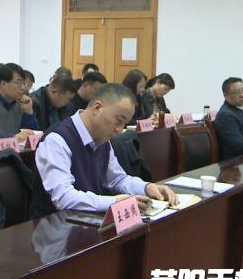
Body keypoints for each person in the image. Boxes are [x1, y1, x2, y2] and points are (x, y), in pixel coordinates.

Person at [31, 83, 178, 217]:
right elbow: (63, 198)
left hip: (86, 221)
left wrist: (147, 187)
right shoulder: (56, 140)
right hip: (53, 227)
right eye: (119, 121)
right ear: (97, 108)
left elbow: (116, 179)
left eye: (124, 124)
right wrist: (114, 202)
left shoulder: (102, 139)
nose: (120, 130)